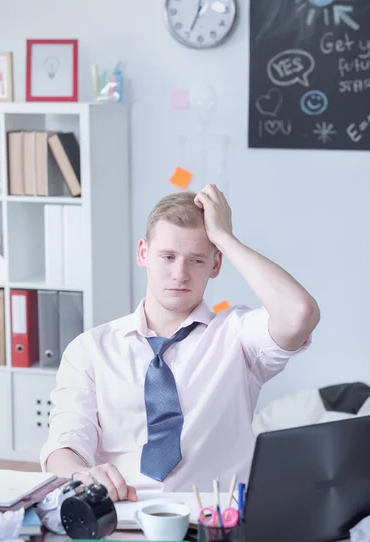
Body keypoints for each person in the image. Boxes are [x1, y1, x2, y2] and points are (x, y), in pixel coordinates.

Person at [41, 184, 320, 502]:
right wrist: (83, 474)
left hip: (214, 521)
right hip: (121, 513)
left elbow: (300, 312)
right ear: (143, 253)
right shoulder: (90, 349)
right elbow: (62, 448)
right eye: (168, 257)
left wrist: (225, 239)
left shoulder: (239, 338)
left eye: (197, 260)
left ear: (216, 265)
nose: (180, 273)